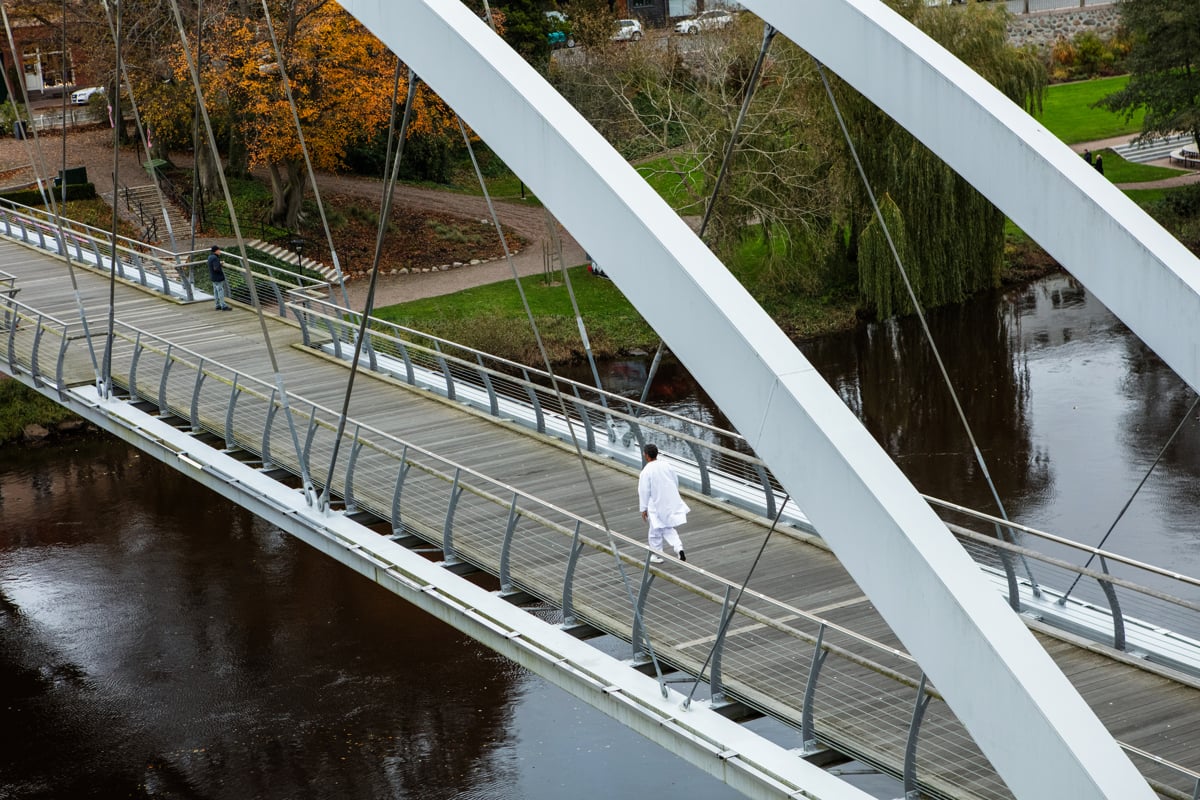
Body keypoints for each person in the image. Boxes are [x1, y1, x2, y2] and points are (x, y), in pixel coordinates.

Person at [638, 443, 688, 564]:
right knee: (668, 527)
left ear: (646, 456)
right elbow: (675, 481)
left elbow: (644, 491)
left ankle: (656, 554)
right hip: (668, 501)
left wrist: (643, 508)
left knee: (655, 531)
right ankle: (679, 548)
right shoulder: (667, 465)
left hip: (654, 504)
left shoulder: (646, 471)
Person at [208, 245, 230, 310]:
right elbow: (216, 268)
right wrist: (220, 270)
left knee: (215, 291)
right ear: (216, 251)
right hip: (217, 277)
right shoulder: (215, 258)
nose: (220, 251)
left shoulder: (210, 257)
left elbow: (213, 265)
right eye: (219, 250)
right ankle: (223, 306)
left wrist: (219, 263)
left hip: (213, 277)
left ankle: (217, 305)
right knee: (220, 291)